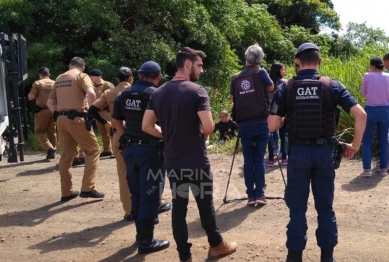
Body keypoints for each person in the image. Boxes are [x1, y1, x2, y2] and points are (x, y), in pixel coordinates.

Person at [268, 42, 367, 262]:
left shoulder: (286, 87)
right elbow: (361, 115)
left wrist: (285, 118)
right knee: (325, 209)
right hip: (324, 154)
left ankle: (294, 257)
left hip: (298, 154)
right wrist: (355, 146)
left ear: (297, 62)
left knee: (297, 210)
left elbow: (272, 126)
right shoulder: (331, 85)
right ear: (319, 62)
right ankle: (327, 258)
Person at [143, 47, 237, 262]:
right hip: (196, 161)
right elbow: (209, 126)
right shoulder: (197, 91)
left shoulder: (158, 92)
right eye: (199, 65)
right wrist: (194, 138)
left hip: (173, 161)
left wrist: (167, 135)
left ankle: (184, 256)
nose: (201, 70)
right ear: (187, 64)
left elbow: (146, 126)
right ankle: (216, 246)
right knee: (205, 205)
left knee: (179, 207)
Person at [111, 61, 169, 254]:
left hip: (130, 151)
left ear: (138, 76)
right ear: (159, 77)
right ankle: (146, 241)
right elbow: (165, 124)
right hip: (151, 153)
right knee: (151, 196)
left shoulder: (123, 95)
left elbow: (115, 121)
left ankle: (139, 236)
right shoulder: (158, 95)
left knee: (136, 194)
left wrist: (128, 133)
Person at [47, 57, 104, 202]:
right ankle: (88, 188)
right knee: (93, 150)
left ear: (70, 65)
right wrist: (91, 112)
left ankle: (66, 192)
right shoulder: (81, 76)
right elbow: (91, 93)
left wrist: (57, 113)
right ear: (83, 68)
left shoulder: (59, 78)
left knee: (66, 157)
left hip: (61, 119)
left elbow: (50, 102)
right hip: (77, 118)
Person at [230, 44, 274, 205]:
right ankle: (260, 194)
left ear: (245, 57)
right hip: (262, 121)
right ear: (260, 59)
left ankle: (250, 196)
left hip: (244, 124)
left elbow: (233, 98)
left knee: (248, 160)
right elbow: (271, 87)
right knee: (259, 159)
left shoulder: (235, 77)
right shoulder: (261, 72)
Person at [88, 67, 133, 221]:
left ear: (117, 80)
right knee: (145, 171)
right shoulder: (137, 92)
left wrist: (105, 122)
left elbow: (92, 110)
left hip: (118, 135)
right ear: (131, 79)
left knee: (123, 173)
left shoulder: (109, 93)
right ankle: (153, 205)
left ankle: (129, 211)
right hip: (138, 135)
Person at [360, 57, 389, 177]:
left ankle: (367, 170)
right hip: (385, 110)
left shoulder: (367, 75)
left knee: (367, 141)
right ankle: (383, 169)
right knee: (384, 141)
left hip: (371, 110)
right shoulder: (388, 77)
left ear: (372, 66)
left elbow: (363, 92)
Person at [28, 67, 56, 160]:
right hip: (54, 110)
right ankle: (53, 151)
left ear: (40, 75)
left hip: (42, 110)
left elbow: (31, 97)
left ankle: (49, 148)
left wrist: (29, 95)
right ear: (49, 74)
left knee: (38, 131)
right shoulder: (55, 83)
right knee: (52, 131)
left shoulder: (37, 83)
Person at [89, 69, 114, 157]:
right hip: (97, 112)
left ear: (98, 76)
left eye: (92, 76)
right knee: (103, 132)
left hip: (107, 111)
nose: (90, 77)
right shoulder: (92, 86)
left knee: (111, 131)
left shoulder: (107, 85)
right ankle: (107, 150)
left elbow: (112, 97)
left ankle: (116, 150)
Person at [267, 62, 287, 167]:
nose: (285, 71)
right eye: (283, 69)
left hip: (270, 113)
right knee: (283, 135)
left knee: (271, 135)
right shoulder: (284, 83)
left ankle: (270, 159)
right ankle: (284, 158)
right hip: (282, 113)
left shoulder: (267, 83)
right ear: (278, 71)